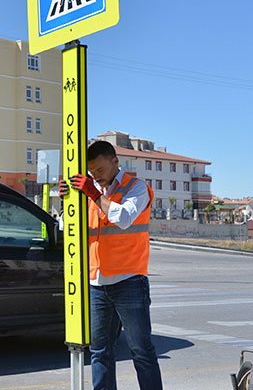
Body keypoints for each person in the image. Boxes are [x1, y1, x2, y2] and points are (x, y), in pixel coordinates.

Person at [59, 140, 162, 390]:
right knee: (99, 352)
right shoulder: (89, 191)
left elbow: (124, 218)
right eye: (92, 172)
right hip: (97, 282)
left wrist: (93, 194)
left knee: (141, 351)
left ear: (115, 162)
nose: (96, 177)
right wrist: (69, 202)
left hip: (129, 280)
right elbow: (65, 227)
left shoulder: (137, 188)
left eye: (100, 171)